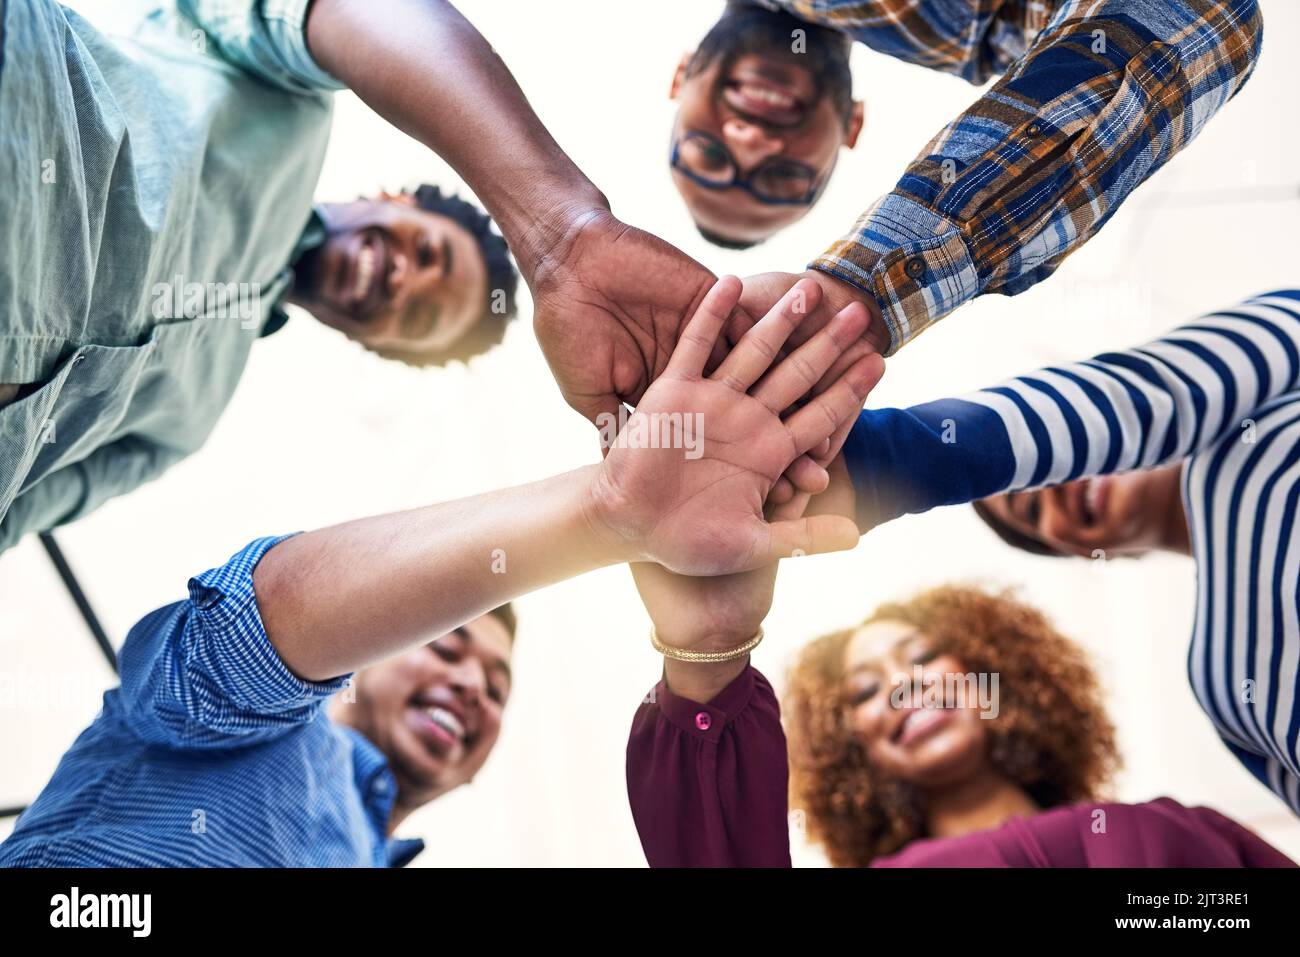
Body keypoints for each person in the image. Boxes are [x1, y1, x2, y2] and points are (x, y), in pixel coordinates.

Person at [0, 275, 886, 865]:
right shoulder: (262, 726)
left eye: (497, 686)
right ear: (364, 658)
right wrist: (608, 512)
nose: (473, 687)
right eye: (451, 647)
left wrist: (708, 656)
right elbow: (240, 644)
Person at [669, 0, 1264, 362]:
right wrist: (858, 299)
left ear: (678, 79)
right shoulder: (993, 25)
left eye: (708, 156)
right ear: (851, 127)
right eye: (783, 176)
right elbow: (1201, 19)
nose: (751, 144)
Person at [625, 580, 1295, 867]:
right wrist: (706, 650)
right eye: (864, 690)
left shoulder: (1175, 832)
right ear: (851, 750)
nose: (901, 685)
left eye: (918, 657)